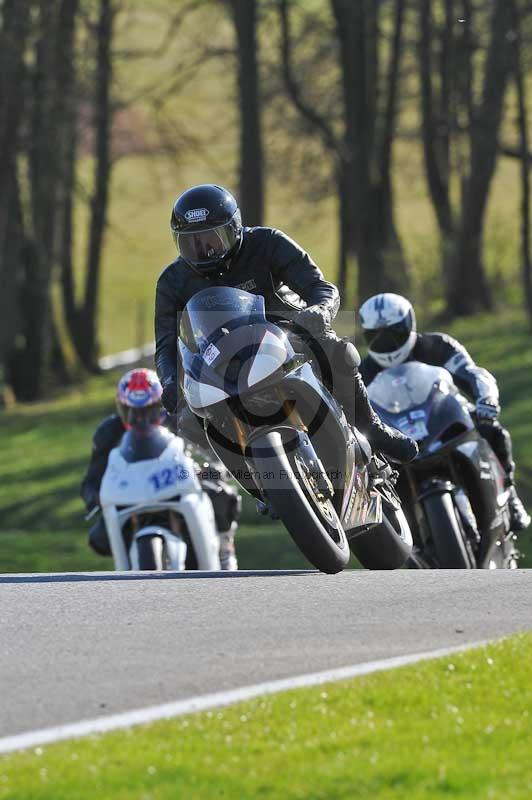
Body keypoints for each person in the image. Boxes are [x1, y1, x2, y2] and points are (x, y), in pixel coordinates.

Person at [154, 183, 418, 468]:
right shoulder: (172, 281)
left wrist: (320, 312)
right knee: (188, 416)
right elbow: (165, 345)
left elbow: (321, 287)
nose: (203, 251)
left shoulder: (267, 243)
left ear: (235, 228)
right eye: (190, 243)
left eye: (212, 239)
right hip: (222, 360)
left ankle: (371, 427)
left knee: (335, 350)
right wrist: (169, 381)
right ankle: (248, 476)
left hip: (287, 336)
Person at [358, 292, 530, 533]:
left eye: (394, 333)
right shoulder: (363, 371)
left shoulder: (437, 345)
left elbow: (473, 373)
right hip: (397, 434)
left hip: (444, 414)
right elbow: (353, 410)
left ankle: (509, 495)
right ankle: (401, 533)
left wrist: (486, 398)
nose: (386, 343)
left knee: (493, 431)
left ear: (409, 325)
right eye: (376, 336)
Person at [80, 368, 241, 569]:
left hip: (176, 482)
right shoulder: (108, 433)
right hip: (129, 495)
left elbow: (212, 449)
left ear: (161, 405)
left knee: (222, 495)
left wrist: (214, 467)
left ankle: (224, 550)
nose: (140, 419)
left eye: (148, 410)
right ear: (121, 408)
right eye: (132, 411)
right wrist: (94, 497)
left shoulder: (179, 419)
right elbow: (91, 479)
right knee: (99, 537)